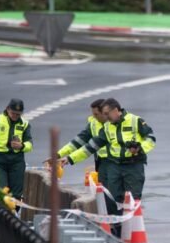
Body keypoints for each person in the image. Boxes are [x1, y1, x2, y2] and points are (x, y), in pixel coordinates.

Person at [61, 98, 156, 234]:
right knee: (111, 199)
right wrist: (70, 159)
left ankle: (134, 232)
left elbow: (151, 138)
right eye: (104, 114)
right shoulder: (107, 127)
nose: (105, 117)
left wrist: (140, 149)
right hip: (114, 166)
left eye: (107, 114)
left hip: (133, 165)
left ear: (116, 110)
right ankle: (117, 231)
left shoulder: (135, 120)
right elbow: (91, 146)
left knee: (133, 199)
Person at [0, 98, 33, 200]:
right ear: (7, 109)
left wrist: (22, 146)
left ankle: (12, 214)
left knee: (16, 195)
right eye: (13, 113)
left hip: (17, 161)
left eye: (18, 114)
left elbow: (30, 144)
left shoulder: (24, 124)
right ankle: (1, 214)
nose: (15, 116)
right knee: (1, 192)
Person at [56, 98, 108, 184]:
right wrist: (58, 154)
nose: (94, 117)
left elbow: (89, 148)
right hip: (102, 164)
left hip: (117, 165)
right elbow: (78, 142)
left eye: (96, 114)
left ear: (105, 112)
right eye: (93, 114)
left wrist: (69, 158)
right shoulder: (93, 124)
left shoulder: (114, 126)